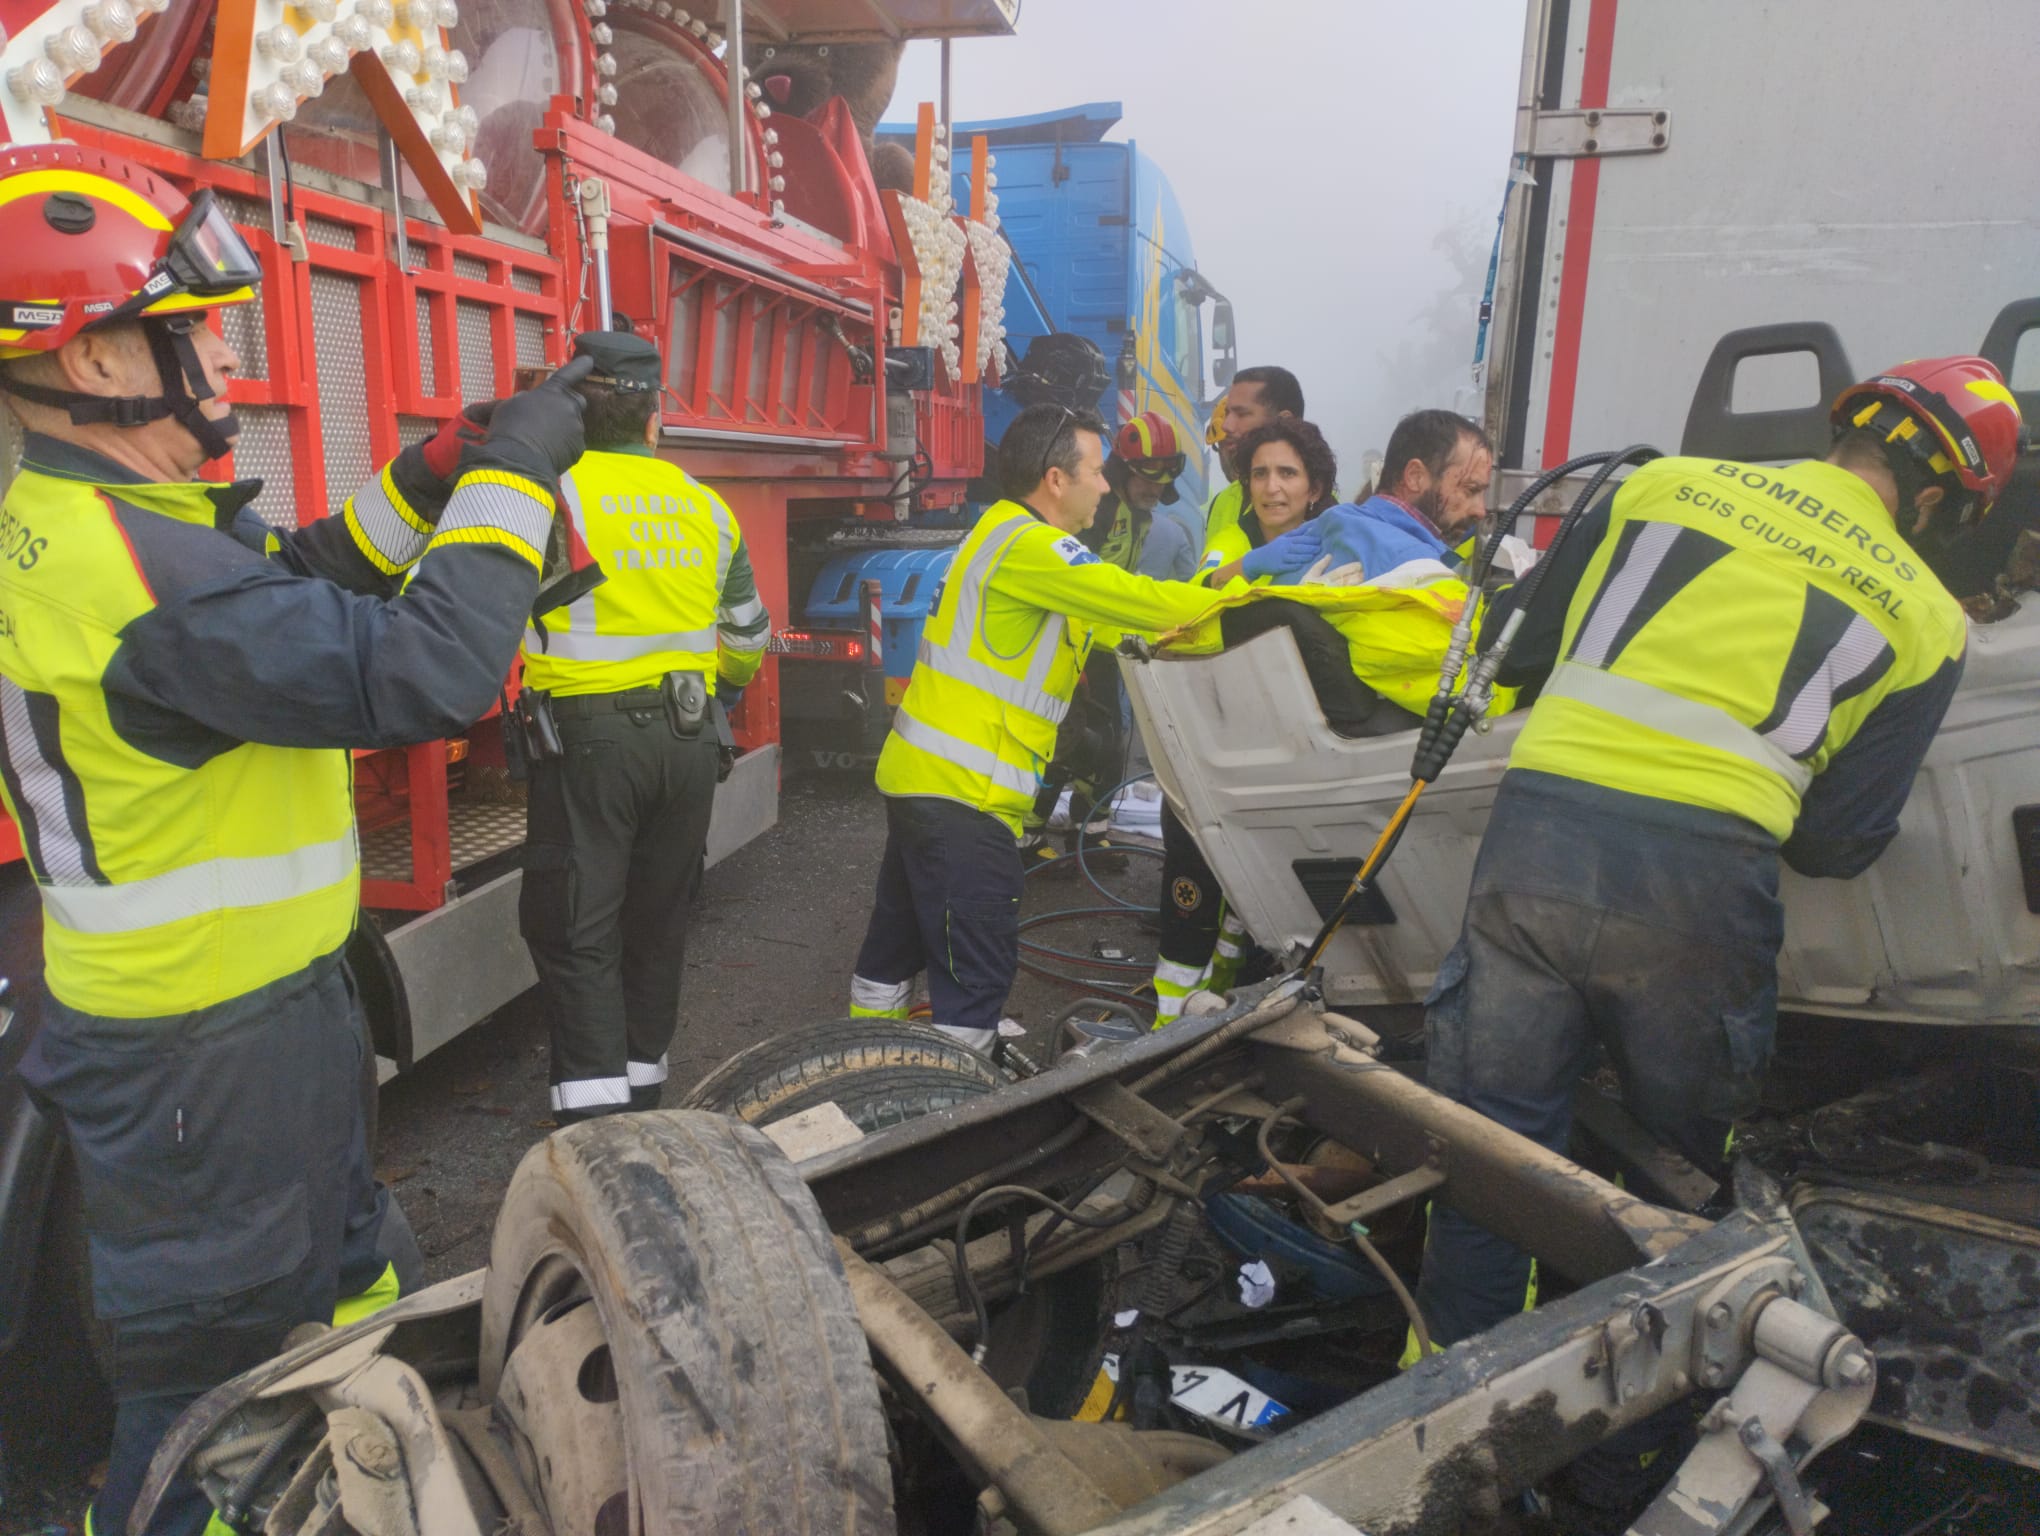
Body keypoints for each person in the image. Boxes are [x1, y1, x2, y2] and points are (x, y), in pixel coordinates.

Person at [0, 145, 589, 1536]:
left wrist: (441, 466)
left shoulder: (121, 525)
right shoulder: (124, 567)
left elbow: (303, 588)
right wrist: (519, 477)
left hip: (258, 1024)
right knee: (215, 1405)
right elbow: (425, 676)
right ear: (94, 364)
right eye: (186, 330)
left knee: (346, 1290)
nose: (210, 362)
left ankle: (356, 1492)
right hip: (199, 1063)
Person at [1414, 356, 2021, 1349]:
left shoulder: (1661, 484)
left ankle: (1445, 1383)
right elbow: (1836, 843)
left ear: (1848, 432)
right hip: (1698, 887)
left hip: (1536, 838)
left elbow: (1517, 653)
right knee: (1675, 1169)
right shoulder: (1923, 619)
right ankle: (1627, 1404)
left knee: (1493, 1145)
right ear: (1939, 498)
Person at [846, 403, 1223, 1050]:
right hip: (966, 796)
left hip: (924, 783)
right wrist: (1252, 606)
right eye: (1097, 472)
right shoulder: (1034, 546)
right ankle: (944, 1119)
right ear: (1056, 478)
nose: (1105, 486)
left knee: (893, 954)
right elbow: (1136, 600)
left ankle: (861, 1067)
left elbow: (1119, 626)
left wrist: (1183, 628)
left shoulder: (1003, 535)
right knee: (976, 976)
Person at [517, 331, 771, 1122]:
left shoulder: (553, 492)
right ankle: (644, 1090)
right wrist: (715, 695)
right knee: (658, 917)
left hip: (589, 743)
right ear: (653, 418)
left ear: (574, 413)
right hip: (690, 740)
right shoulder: (705, 505)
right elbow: (747, 638)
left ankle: (595, 1126)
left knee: (577, 925)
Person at [1153, 417, 1354, 1028]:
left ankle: (1227, 1012)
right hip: (1213, 740)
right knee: (1193, 882)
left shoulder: (1342, 548)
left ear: (1315, 486)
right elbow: (1187, 608)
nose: (1272, 488)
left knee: (1257, 898)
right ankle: (1167, 1023)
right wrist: (1244, 571)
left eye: (1288, 474)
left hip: (1295, 751)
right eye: (1260, 474)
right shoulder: (1230, 543)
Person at [1206, 365, 1305, 542]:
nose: (1226, 426)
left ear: (1284, 421)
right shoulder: (1222, 501)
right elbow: (1208, 569)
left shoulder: (1321, 506)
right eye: (1228, 413)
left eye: (1242, 414)